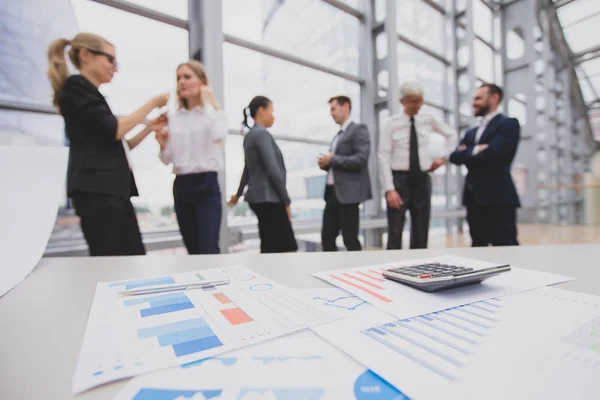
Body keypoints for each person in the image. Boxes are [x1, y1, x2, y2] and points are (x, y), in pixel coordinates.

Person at [47, 33, 169, 256]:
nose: (115, 67)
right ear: (85, 55)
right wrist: (152, 103)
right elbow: (116, 129)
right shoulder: (76, 88)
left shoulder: (91, 95)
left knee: (131, 256)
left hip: (110, 190)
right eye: (110, 59)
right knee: (114, 257)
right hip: (97, 191)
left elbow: (120, 144)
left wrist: (148, 128)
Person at [155, 61, 227, 254]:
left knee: (208, 247)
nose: (181, 82)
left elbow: (219, 135)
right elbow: (167, 159)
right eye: (179, 78)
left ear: (202, 81)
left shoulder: (215, 114)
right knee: (193, 249)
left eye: (187, 77)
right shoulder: (173, 118)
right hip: (182, 186)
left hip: (206, 186)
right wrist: (162, 145)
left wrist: (209, 102)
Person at [378, 81, 458, 249]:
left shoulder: (428, 119)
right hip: (398, 181)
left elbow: (452, 135)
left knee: (421, 231)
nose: (417, 105)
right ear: (402, 102)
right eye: (413, 101)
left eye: (420, 100)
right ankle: (392, 268)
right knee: (395, 232)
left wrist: (443, 158)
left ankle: (418, 269)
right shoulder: (390, 124)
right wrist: (389, 189)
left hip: (422, 179)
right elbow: (383, 156)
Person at [449, 83, 521, 247]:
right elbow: (455, 157)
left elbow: (495, 154)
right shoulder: (471, 132)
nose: (474, 102)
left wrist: (468, 152)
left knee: (505, 246)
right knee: (477, 247)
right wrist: (478, 149)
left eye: (478, 98)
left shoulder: (508, 124)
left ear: (494, 98)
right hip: (473, 198)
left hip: (499, 198)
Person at [228, 96, 297, 253]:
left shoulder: (250, 136)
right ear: (261, 110)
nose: (273, 116)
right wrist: (286, 202)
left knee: (269, 244)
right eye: (271, 110)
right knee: (287, 248)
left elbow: (247, 170)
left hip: (258, 198)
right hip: (270, 198)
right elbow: (273, 170)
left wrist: (238, 194)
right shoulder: (262, 135)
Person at [318, 95, 372, 251]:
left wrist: (332, 159)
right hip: (332, 193)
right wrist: (326, 164)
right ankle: (331, 270)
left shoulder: (358, 129)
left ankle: (355, 271)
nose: (331, 113)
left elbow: (361, 159)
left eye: (333, 109)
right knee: (327, 237)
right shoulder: (337, 136)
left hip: (348, 195)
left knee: (350, 239)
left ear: (346, 106)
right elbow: (338, 161)